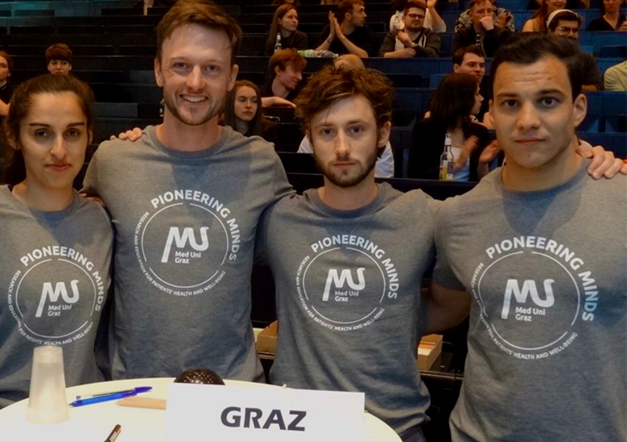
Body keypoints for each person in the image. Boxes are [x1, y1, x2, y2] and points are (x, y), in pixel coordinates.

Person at [81, 0, 293, 382]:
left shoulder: (261, 163)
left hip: (232, 388)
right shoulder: (112, 161)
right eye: (181, 66)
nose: (195, 83)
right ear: (158, 70)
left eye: (211, 68)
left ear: (231, 77)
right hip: (130, 390)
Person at [428, 34, 627, 442]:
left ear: (578, 108)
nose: (527, 120)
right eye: (510, 103)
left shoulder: (621, 199)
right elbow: (442, 310)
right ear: (491, 112)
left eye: (548, 100)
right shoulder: (457, 216)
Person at [257, 66, 431, 442]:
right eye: (326, 132)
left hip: (395, 428)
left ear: (382, 133)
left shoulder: (424, 215)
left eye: (355, 129)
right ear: (309, 138)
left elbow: (454, 299)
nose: (341, 148)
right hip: (295, 427)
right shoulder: (278, 218)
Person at [0, 74, 113, 442]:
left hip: (80, 415)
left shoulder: (101, 221)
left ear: (89, 136)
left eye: (72, 133)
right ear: (13, 136)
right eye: (41, 134)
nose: (59, 150)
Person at [411, 73, 494, 181]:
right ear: (462, 99)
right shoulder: (425, 129)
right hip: (433, 190)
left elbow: (482, 182)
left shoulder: (479, 132)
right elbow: (415, 175)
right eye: (477, 94)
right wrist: (457, 165)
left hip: (470, 191)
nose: (482, 98)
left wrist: (482, 164)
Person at [546, 9, 603, 90]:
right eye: (564, 29)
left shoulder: (586, 59)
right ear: (550, 31)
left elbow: (596, 87)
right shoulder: (537, 57)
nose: (571, 34)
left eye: (575, 30)